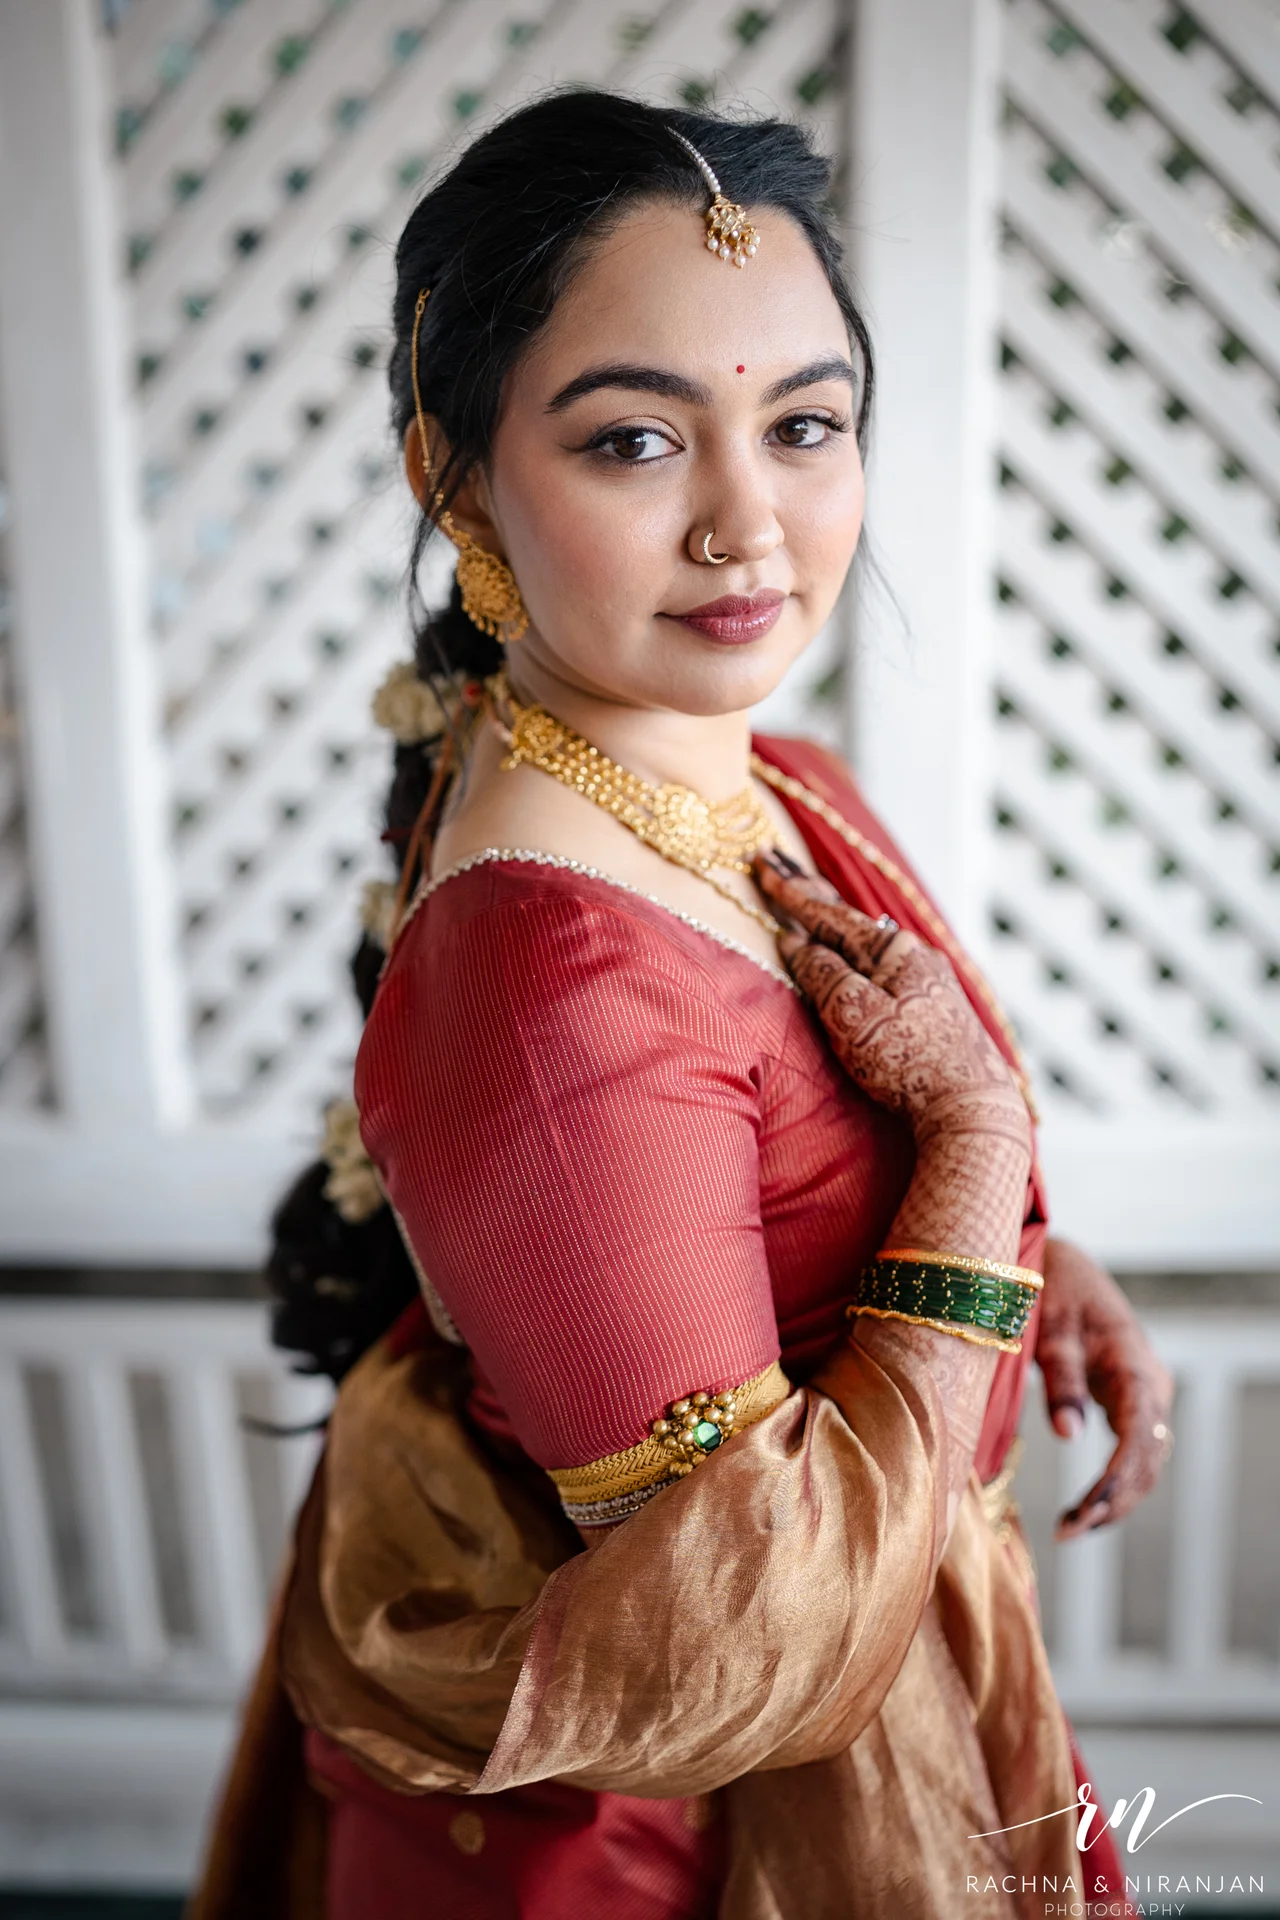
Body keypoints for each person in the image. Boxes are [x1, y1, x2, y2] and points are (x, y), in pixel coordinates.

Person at [190, 91, 1175, 1920]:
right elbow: (752, 1639)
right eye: (637, 440)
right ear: (451, 471)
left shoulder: (752, 770)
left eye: (805, 425)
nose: (752, 523)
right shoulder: (543, 980)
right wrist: (976, 1151)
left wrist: (1044, 1254)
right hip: (699, 1840)